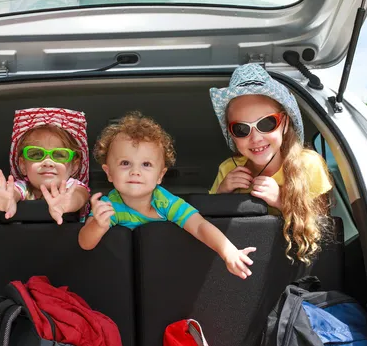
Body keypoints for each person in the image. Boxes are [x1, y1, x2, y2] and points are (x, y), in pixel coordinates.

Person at [78, 112, 256, 279]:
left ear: (160, 175)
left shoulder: (165, 202)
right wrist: (98, 225)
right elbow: (85, 243)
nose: (135, 171)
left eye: (146, 164)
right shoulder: (109, 207)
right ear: (108, 173)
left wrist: (228, 251)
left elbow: (200, 226)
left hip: (169, 276)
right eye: (125, 163)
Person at [209, 64, 332, 265]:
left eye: (266, 123)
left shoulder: (307, 164)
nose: (255, 137)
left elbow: (322, 223)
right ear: (232, 135)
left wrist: (281, 200)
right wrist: (222, 195)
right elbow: (206, 224)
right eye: (241, 129)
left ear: (284, 123)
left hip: (296, 264)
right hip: (243, 264)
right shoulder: (228, 169)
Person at [0, 107, 90, 224]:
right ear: (22, 165)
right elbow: (15, 192)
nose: (48, 162)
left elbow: (80, 195)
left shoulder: (72, 187)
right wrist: (10, 198)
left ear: (74, 166)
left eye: (59, 155)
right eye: (36, 154)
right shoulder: (24, 187)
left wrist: (68, 203)